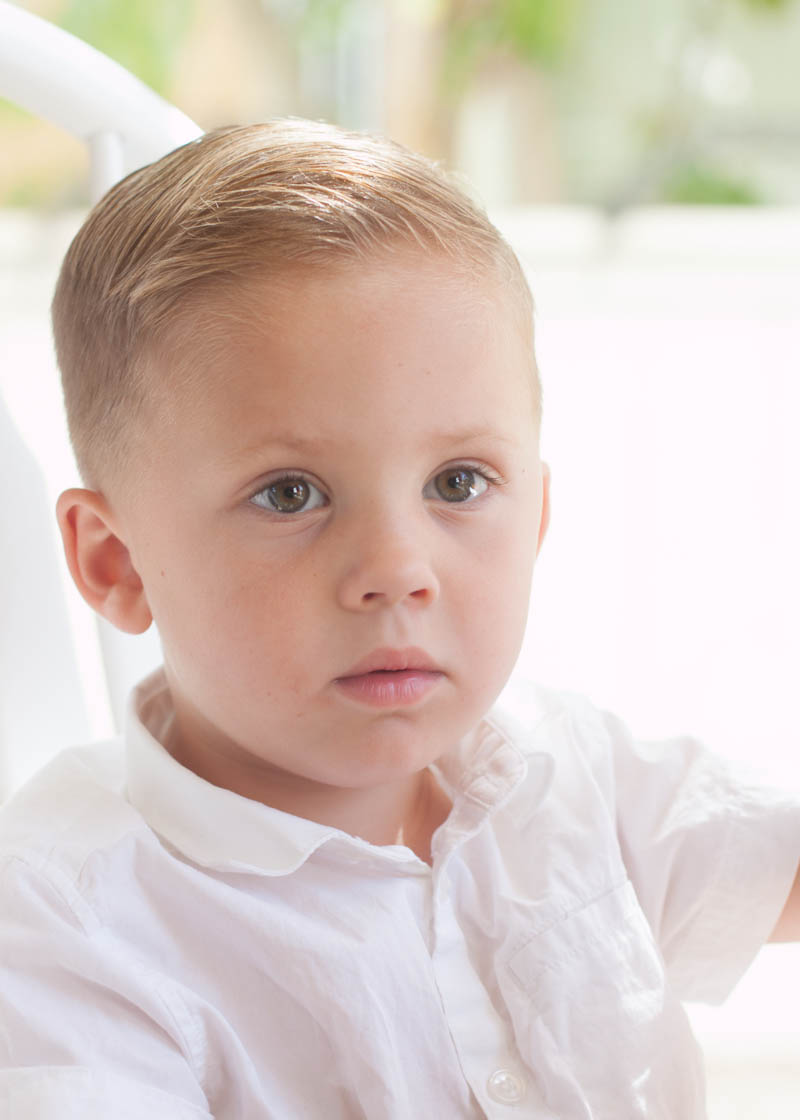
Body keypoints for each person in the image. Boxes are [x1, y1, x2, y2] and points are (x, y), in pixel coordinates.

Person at [0, 120, 797, 1120]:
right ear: (118, 562)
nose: (395, 570)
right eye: (290, 495)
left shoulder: (563, 774)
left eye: (457, 482)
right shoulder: (68, 932)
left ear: (536, 515)